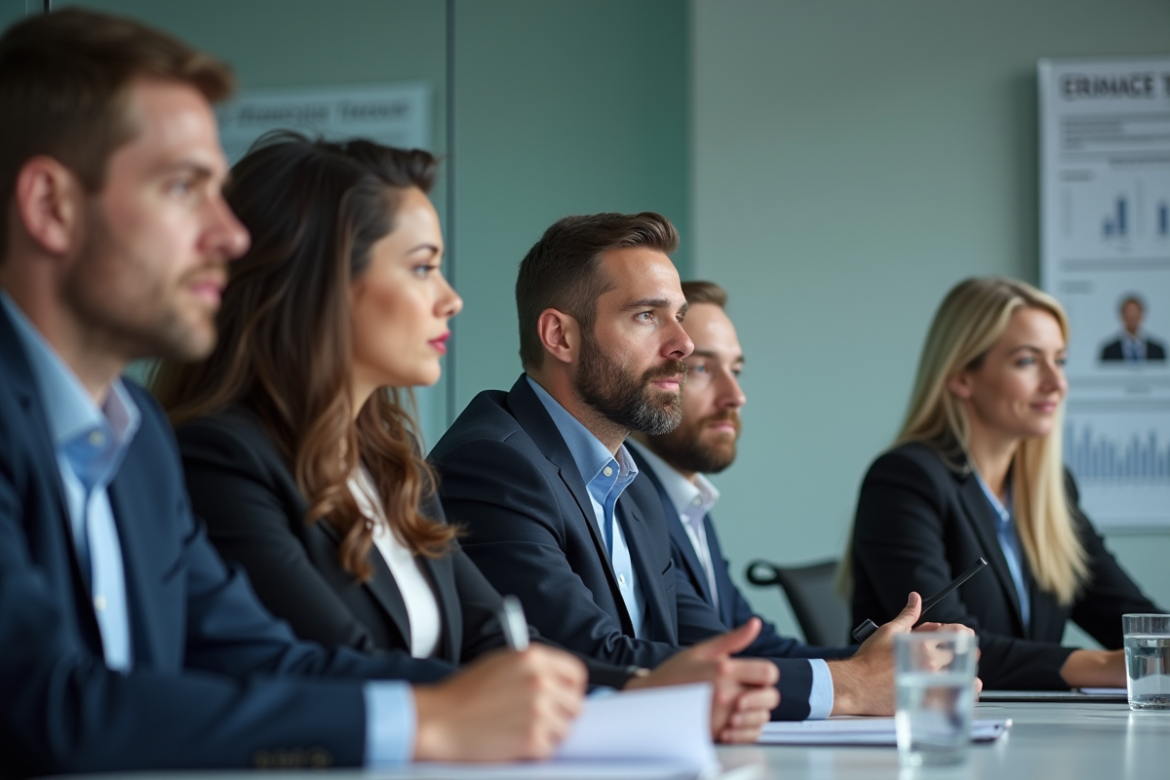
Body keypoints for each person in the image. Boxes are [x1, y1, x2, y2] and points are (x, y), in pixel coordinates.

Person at [0, 9, 589, 774]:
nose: (231, 236)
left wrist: (529, 708)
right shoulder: (197, 447)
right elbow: (48, 706)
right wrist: (422, 723)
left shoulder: (135, 433)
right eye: (183, 187)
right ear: (52, 206)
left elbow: (266, 659)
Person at [152, 133, 780, 743]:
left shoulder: (394, 470)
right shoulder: (221, 459)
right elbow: (332, 669)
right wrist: (639, 695)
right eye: (423, 268)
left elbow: (501, 647)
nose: (452, 300)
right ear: (318, 287)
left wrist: (645, 693)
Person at [429, 212, 953, 721]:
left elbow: (695, 648)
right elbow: (583, 657)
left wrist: (877, 666)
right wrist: (853, 685)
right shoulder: (494, 465)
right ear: (560, 336)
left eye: (677, 315)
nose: (682, 343)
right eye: (646, 315)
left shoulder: (631, 486)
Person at [848, 277, 1164, 690]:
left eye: (1060, 360)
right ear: (962, 377)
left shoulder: (1049, 491)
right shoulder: (905, 480)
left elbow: (1126, 612)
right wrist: (1109, 665)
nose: (1056, 382)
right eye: (1028, 361)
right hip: (934, 733)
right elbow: (948, 650)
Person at [627, 280, 855, 658]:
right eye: (701, 367)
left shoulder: (689, 502)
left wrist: (877, 663)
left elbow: (753, 642)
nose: (736, 396)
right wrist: (860, 676)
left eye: (736, 370)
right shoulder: (627, 501)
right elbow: (723, 656)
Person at [1100, 294, 1166, 362]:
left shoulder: (1157, 350)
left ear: (1141, 315)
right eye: (1128, 313)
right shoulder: (1109, 351)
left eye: (1135, 313)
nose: (1131, 317)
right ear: (1122, 316)